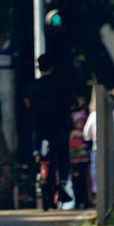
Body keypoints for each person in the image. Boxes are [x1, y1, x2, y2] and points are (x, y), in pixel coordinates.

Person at [24, 54, 74, 209]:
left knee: (37, 145)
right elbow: (70, 105)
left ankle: (37, 154)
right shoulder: (62, 85)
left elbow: (27, 103)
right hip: (60, 128)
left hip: (40, 129)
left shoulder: (33, 86)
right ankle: (63, 182)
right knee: (63, 157)